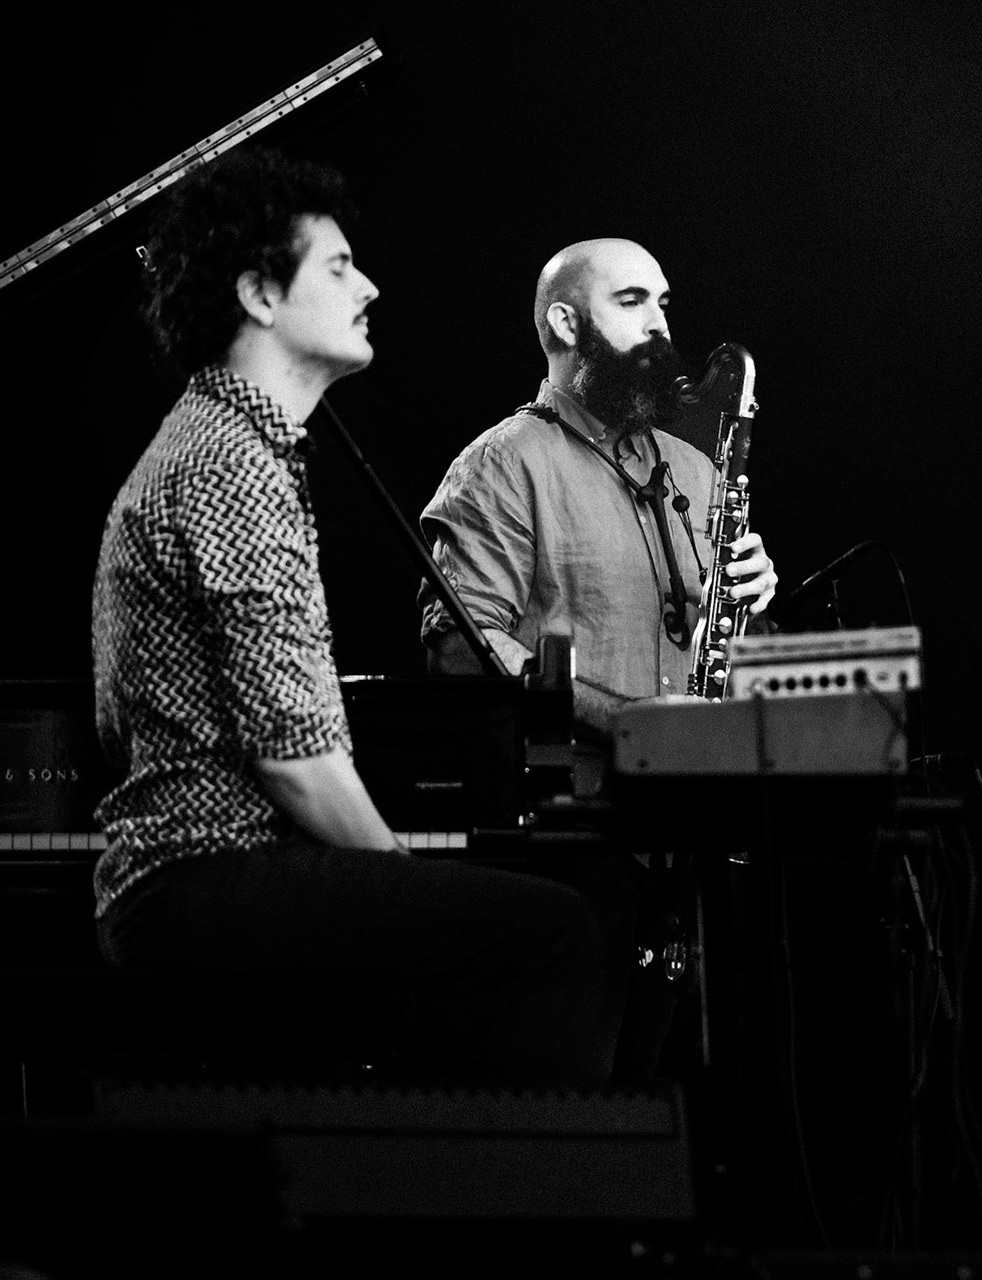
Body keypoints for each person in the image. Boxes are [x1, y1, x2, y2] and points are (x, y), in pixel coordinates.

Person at [91, 147, 619, 1086]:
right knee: (553, 932)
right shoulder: (227, 469)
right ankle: (521, 1208)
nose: (369, 285)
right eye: (337, 267)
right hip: (205, 880)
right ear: (259, 293)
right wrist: (400, 874)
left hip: (199, 877)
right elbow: (294, 766)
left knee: (475, 945)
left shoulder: (219, 445)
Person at [416, 237, 781, 1080]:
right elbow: (461, 649)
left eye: (663, 301)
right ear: (564, 321)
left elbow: (716, 660)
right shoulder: (503, 464)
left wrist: (754, 605)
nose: (659, 323)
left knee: (676, 1134)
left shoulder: (693, 469)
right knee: (572, 1111)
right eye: (630, 302)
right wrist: (620, 718)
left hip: (684, 844)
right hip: (570, 840)